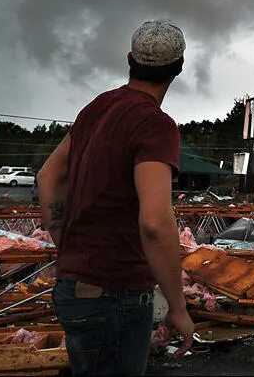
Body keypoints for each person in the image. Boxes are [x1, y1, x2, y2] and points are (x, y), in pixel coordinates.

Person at [37, 19, 195, 375]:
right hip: (116, 296)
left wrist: (66, 244)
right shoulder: (155, 124)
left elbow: (47, 176)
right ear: (180, 68)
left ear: (129, 59)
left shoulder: (96, 108)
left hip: (73, 289)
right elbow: (155, 223)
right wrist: (178, 307)